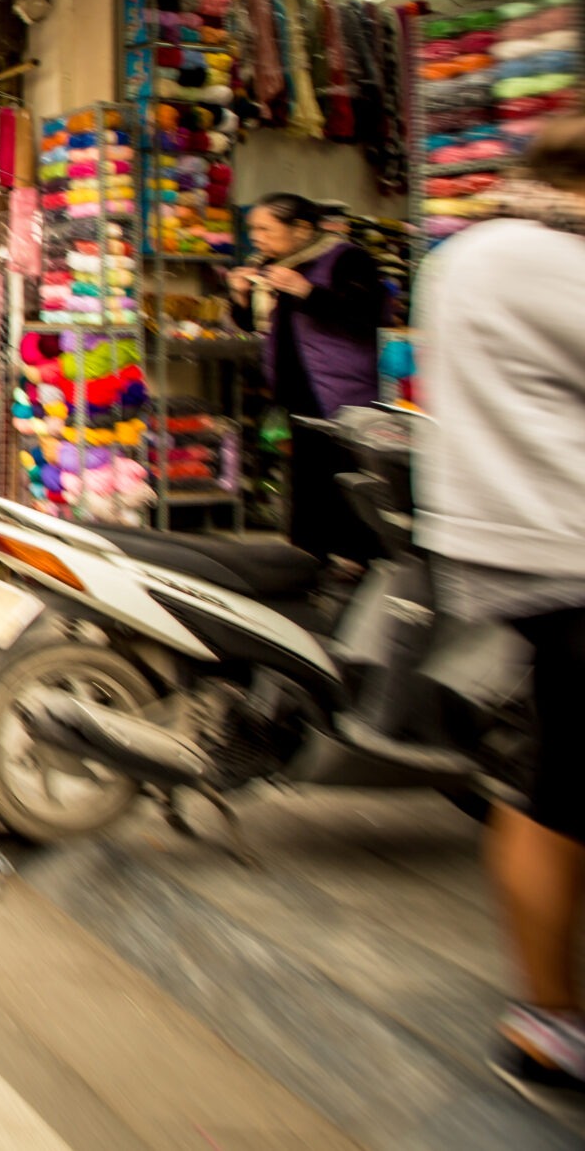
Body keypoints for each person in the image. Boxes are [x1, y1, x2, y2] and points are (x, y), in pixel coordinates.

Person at [415, 121, 585, 1101]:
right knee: (556, 792)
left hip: (504, 549)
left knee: (547, 785)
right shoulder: (546, 260)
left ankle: (545, 1015)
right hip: (566, 547)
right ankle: (546, 1018)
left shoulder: (469, 255)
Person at [227, 194, 384, 567]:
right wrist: (240, 296)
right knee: (308, 477)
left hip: (341, 388)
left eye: (266, 229)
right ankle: (309, 558)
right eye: (254, 230)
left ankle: (357, 559)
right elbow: (252, 325)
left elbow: (369, 314)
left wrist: (305, 291)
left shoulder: (347, 258)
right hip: (295, 388)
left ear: (301, 229)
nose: (257, 239)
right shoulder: (268, 265)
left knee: (345, 473)